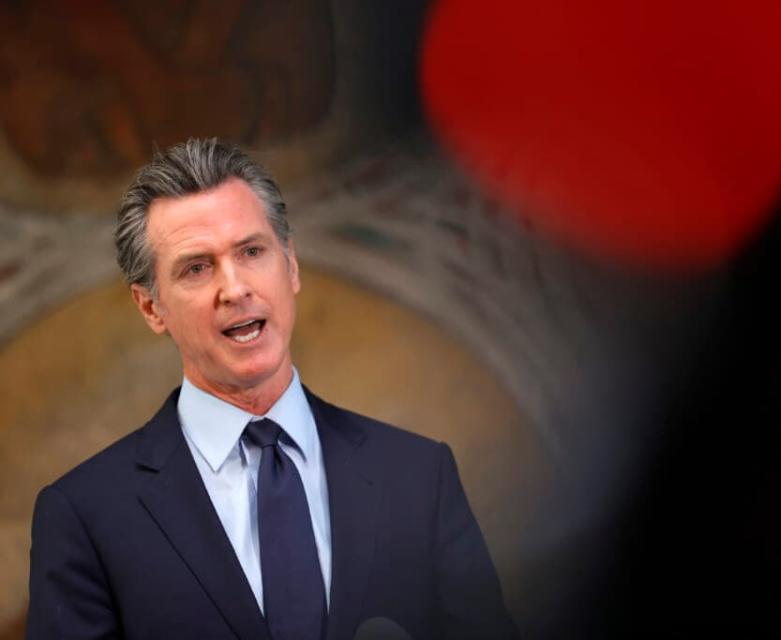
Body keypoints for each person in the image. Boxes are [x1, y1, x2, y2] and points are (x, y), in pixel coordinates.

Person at [26, 138, 517, 640]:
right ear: (151, 308)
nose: (235, 288)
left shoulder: (419, 477)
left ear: (292, 266)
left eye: (252, 251)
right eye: (197, 267)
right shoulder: (85, 516)